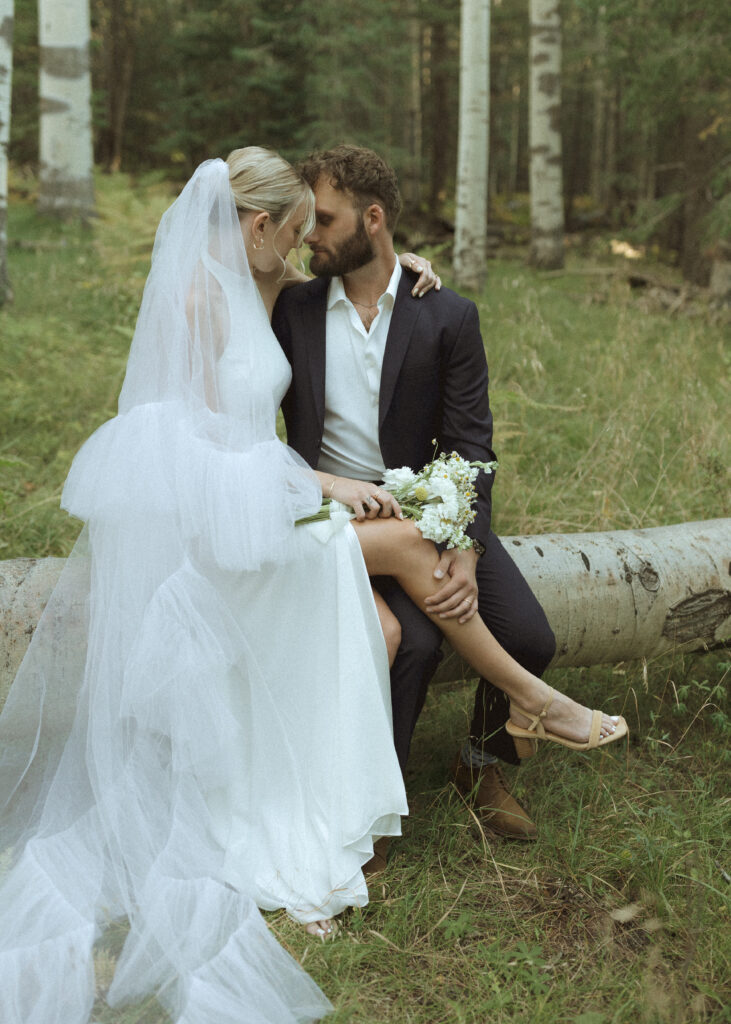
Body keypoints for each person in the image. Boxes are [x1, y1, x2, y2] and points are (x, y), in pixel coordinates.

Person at [0, 147, 626, 1024]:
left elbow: (367, 287)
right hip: (239, 522)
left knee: (390, 633)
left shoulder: (288, 282)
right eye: (296, 228)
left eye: (317, 228)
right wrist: (318, 484)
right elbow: (194, 441)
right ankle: (535, 703)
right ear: (259, 226)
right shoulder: (217, 299)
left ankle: (363, 803)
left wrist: (408, 262)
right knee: (411, 554)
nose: (305, 244)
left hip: (292, 512)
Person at [272, 145, 556, 852]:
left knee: (528, 636)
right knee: (415, 644)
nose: (310, 234)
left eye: (325, 219)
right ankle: (375, 813)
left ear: (373, 219)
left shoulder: (446, 316)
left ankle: (480, 765)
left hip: (427, 516)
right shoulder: (292, 308)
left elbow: (471, 444)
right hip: (326, 515)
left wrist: (462, 544)